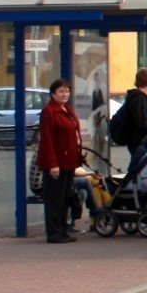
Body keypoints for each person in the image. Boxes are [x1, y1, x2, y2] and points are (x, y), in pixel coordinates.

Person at [37, 78, 84, 244]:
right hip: (56, 163)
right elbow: (47, 139)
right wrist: (52, 164)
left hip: (69, 161)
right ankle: (54, 233)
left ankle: (63, 231)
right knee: (55, 199)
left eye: (67, 91)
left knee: (65, 198)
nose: (64, 94)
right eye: (61, 91)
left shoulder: (67, 110)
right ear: (53, 94)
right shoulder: (49, 111)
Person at [113, 67, 147, 180]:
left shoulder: (134, 96)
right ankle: (132, 184)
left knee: (138, 163)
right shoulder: (140, 98)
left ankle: (133, 183)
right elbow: (143, 121)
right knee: (138, 164)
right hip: (138, 139)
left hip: (133, 138)